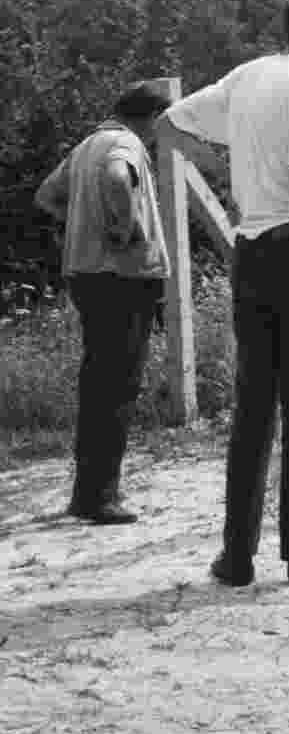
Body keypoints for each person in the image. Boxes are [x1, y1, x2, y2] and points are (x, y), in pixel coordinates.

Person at [155, 0, 289, 587]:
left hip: (250, 252)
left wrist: (225, 170)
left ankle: (236, 556)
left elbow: (168, 127)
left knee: (253, 409)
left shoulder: (246, 76)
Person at [34, 82, 172, 524]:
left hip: (88, 276)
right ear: (152, 118)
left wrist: (87, 223)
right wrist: (125, 229)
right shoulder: (124, 143)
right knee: (117, 386)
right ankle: (100, 498)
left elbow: (46, 197)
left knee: (98, 384)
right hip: (122, 279)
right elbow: (117, 177)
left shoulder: (87, 144)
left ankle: (87, 492)